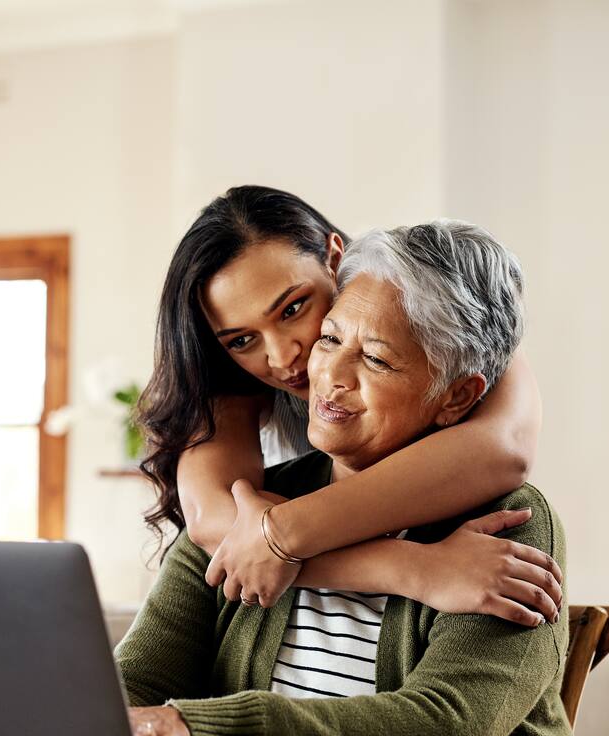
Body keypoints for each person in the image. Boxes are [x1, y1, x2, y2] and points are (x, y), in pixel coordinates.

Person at [117, 220, 575, 736]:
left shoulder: (513, 522)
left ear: (457, 397)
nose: (324, 374)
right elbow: (133, 683)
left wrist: (199, 729)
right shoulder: (252, 507)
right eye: (330, 339)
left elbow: (439, 734)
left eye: (377, 360)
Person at [139, 186, 563, 625]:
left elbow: (503, 449)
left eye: (293, 308)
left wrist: (282, 534)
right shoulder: (229, 382)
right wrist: (413, 569)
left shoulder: (443, 314)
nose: (284, 357)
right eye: (243, 340)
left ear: (335, 259)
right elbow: (217, 524)